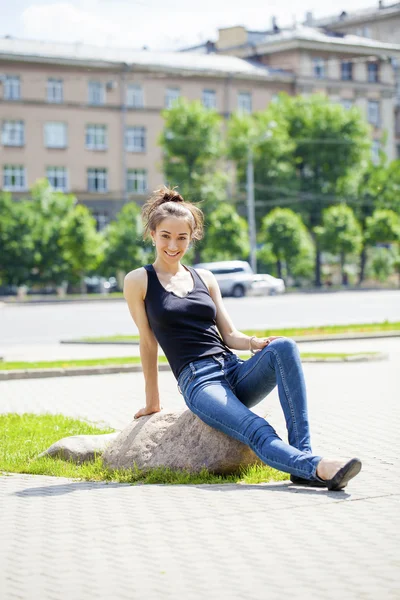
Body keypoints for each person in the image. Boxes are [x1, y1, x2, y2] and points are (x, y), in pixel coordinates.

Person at [123, 186, 362, 492]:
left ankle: (302, 453)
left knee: (284, 346)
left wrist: (255, 343)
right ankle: (316, 467)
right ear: (153, 234)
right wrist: (152, 403)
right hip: (200, 383)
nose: (173, 245)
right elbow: (147, 342)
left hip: (233, 369)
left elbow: (229, 334)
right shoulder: (139, 280)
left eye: (182, 238)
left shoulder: (204, 278)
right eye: (166, 236)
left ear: (192, 237)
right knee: (257, 427)